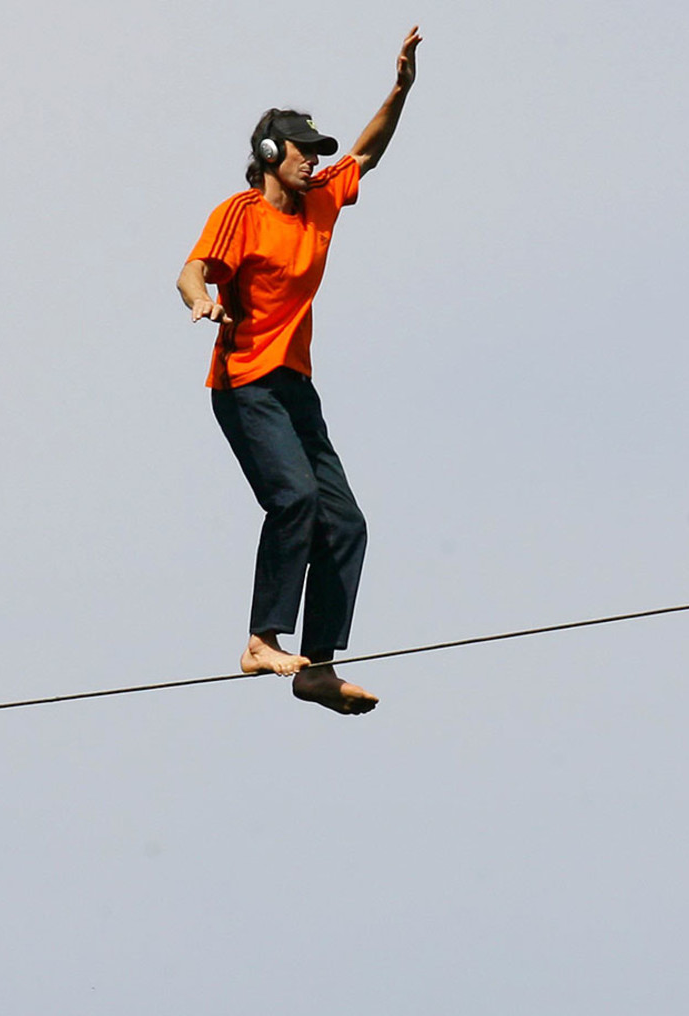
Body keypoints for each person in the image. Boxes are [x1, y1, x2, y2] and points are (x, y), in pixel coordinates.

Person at [176, 27, 422, 716]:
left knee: (344, 523)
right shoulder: (241, 214)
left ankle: (316, 667)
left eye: (319, 154)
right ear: (267, 155)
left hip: (294, 388)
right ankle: (261, 639)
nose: (316, 162)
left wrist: (400, 88)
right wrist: (202, 306)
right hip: (244, 386)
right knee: (296, 500)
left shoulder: (318, 203)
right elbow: (192, 271)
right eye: (304, 152)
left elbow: (367, 151)